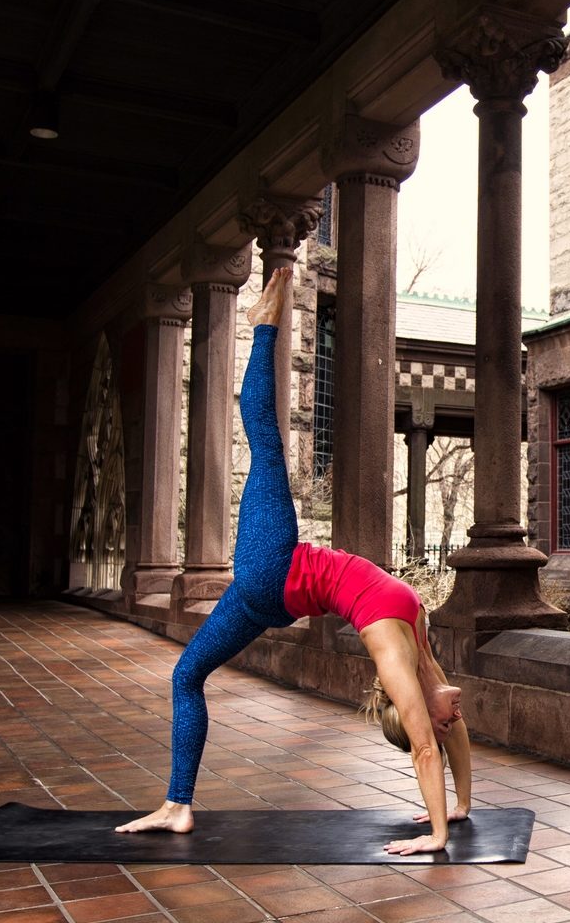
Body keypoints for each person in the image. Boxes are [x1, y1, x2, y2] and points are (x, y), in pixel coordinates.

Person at [116, 267, 473, 855]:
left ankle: (263, 330)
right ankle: (177, 805)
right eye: (452, 713)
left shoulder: (395, 656)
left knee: (265, 439)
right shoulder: (425, 654)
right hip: (267, 596)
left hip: (271, 568)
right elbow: (448, 736)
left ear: (422, 712)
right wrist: (460, 807)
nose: (457, 711)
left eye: (444, 715)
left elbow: (429, 744)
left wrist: (434, 836)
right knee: (187, 677)